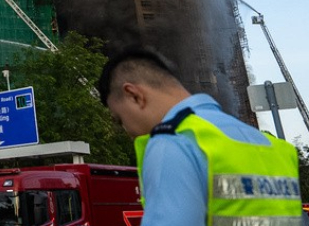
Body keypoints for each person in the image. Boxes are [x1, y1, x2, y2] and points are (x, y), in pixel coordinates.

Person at [97, 47, 302, 226]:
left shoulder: (174, 142)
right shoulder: (274, 148)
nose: (127, 131)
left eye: (119, 120)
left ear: (134, 95)